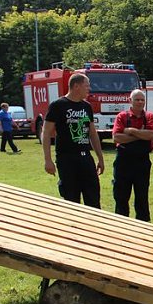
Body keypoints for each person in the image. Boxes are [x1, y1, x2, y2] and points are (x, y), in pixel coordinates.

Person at [41, 73, 105, 207]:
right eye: (86, 86)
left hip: (85, 157)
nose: (89, 89)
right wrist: (48, 160)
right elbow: (46, 133)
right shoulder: (58, 105)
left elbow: (92, 133)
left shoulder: (86, 106)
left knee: (93, 197)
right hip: (67, 158)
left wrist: (100, 158)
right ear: (76, 86)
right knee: (71, 198)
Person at [112, 89, 153, 221]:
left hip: (142, 162)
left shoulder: (149, 116)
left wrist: (131, 131)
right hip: (123, 162)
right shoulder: (122, 116)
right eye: (137, 99)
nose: (140, 102)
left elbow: (151, 134)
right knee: (121, 196)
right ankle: (121, 223)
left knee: (142, 196)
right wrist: (140, 134)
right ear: (130, 101)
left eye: (142, 100)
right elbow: (116, 137)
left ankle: (143, 225)